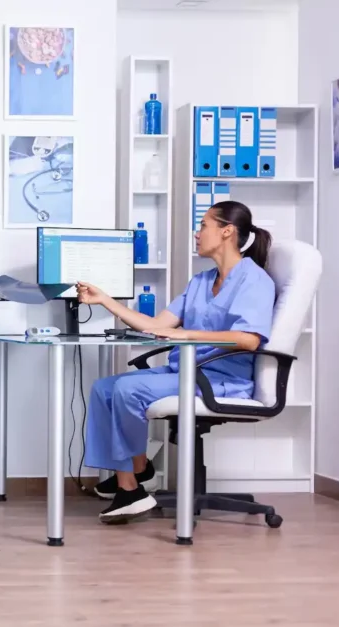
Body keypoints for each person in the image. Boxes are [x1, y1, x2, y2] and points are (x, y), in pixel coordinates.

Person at [78, 200, 275, 524]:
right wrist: (106, 301)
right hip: (184, 370)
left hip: (219, 379)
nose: (197, 234)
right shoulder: (201, 281)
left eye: (203, 226)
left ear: (227, 231)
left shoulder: (254, 281)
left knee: (128, 390)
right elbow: (157, 325)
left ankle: (130, 487)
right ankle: (137, 471)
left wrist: (187, 335)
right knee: (105, 388)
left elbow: (249, 339)